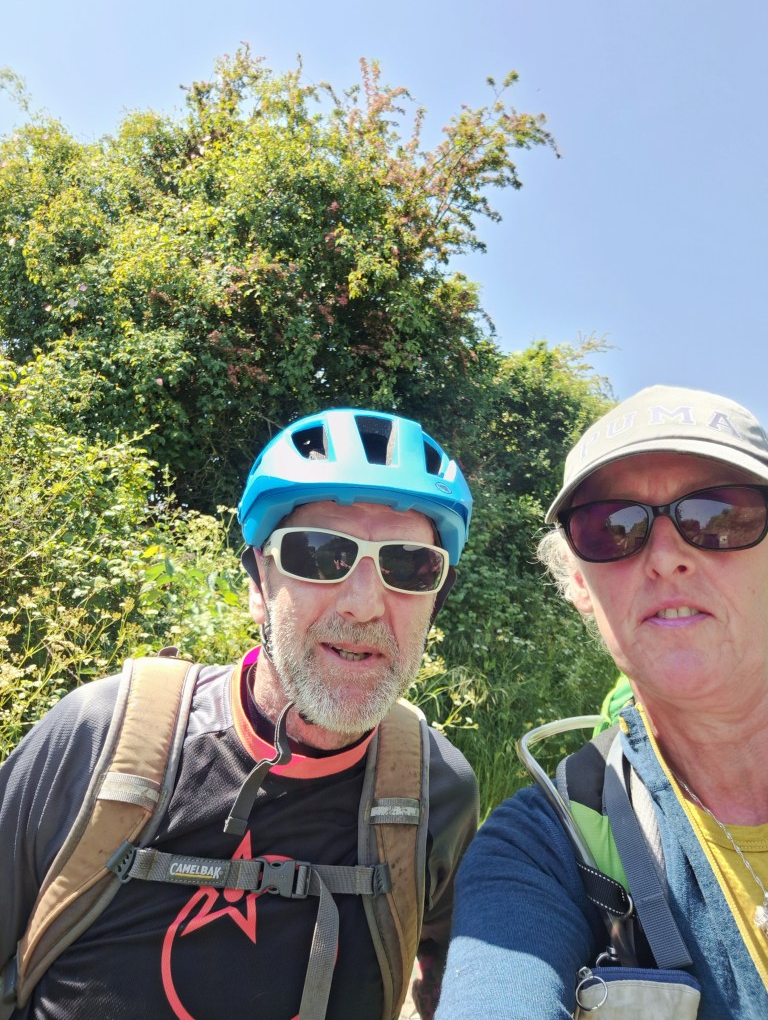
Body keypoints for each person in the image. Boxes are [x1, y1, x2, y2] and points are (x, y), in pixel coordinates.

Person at [0, 408, 479, 1020]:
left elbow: (456, 983)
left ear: (435, 599)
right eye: (320, 555)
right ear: (258, 583)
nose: (363, 605)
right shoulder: (95, 734)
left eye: (409, 566)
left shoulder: (438, 791)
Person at [437, 385, 768, 1019]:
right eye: (612, 528)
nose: (665, 558)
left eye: (720, 516)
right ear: (579, 586)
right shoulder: (543, 851)